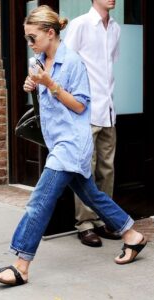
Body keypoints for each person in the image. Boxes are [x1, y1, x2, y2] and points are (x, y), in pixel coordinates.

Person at [0, 5, 147, 286]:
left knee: (39, 202)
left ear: (50, 33)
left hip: (71, 144)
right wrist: (32, 84)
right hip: (57, 141)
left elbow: (81, 104)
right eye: (27, 38)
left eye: (32, 37)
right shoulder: (39, 59)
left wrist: (50, 84)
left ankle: (20, 266)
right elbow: (45, 99)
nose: (30, 43)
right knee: (92, 196)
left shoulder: (72, 62)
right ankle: (132, 235)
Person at [64, 0, 121, 247]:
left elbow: (109, 68)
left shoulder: (116, 28)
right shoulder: (80, 25)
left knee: (107, 168)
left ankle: (104, 219)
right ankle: (85, 224)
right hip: (86, 111)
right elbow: (65, 63)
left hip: (108, 109)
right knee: (86, 167)